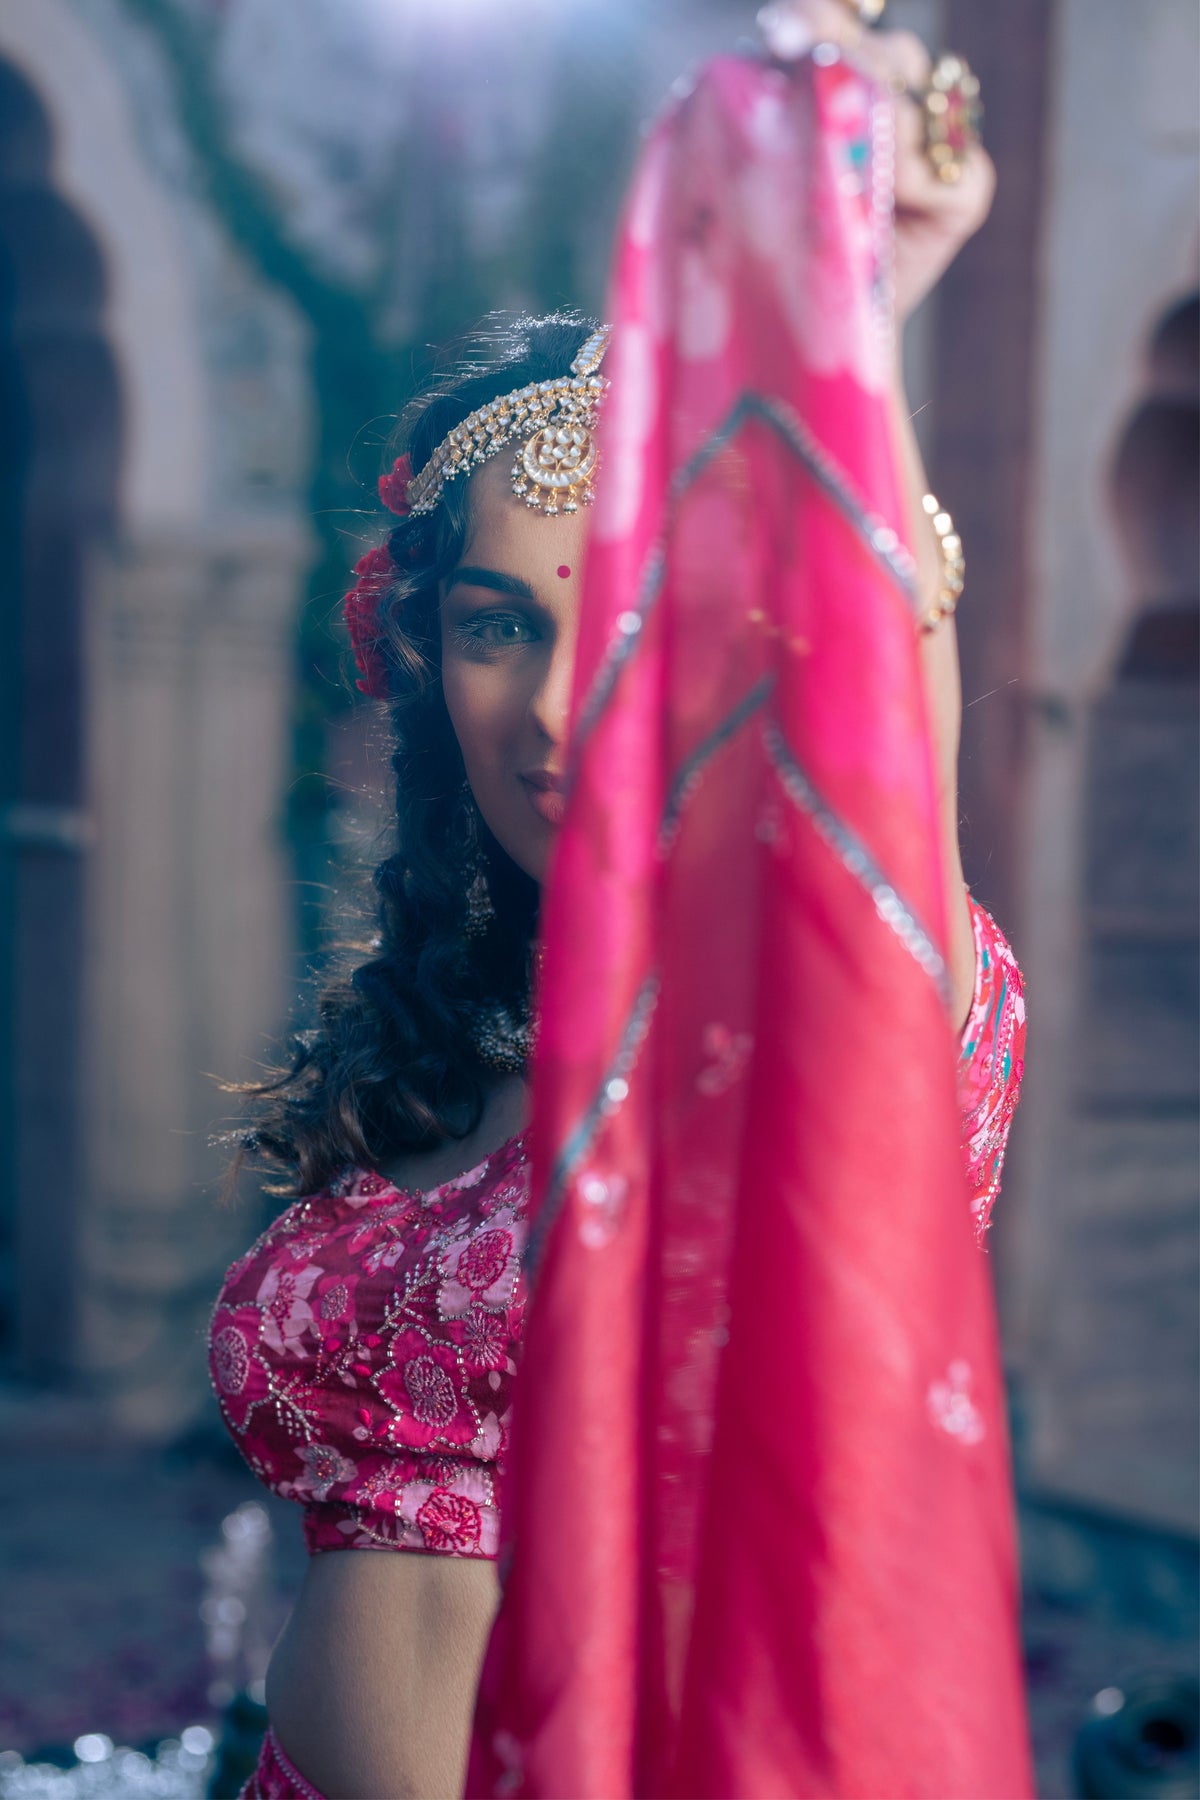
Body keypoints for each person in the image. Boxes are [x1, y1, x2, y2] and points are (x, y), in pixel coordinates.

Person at [210, 5, 1029, 1796]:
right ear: (426, 651)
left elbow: (895, 735)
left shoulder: (820, 1047)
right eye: (501, 623)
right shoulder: (447, 1036)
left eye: (646, 620)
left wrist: (848, 329)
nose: (565, 702)